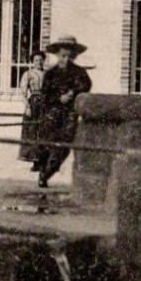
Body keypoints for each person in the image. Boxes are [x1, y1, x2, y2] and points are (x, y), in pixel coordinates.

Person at [36, 35, 92, 188]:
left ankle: (47, 174)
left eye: (70, 56)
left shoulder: (79, 73)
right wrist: (58, 98)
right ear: (57, 55)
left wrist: (73, 93)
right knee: (47, 144)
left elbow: (85, 87)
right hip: (52, 113)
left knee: (64, 146)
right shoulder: (50, 74)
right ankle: (43, 171)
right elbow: (44, 95)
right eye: (63, 56)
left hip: (69, 114)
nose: (66, 59)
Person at [18, 51, 46, 170]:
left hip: (45, 104)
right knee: (32, 130)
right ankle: (35, 161)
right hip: (34, 103)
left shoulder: (47, 74)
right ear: (32, 62)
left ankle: (44, 161)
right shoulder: (28, 74)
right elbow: (23, 93)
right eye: (36, 60)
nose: (38, 62)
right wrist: (27, 107)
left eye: (40, 60)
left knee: (44, 131)